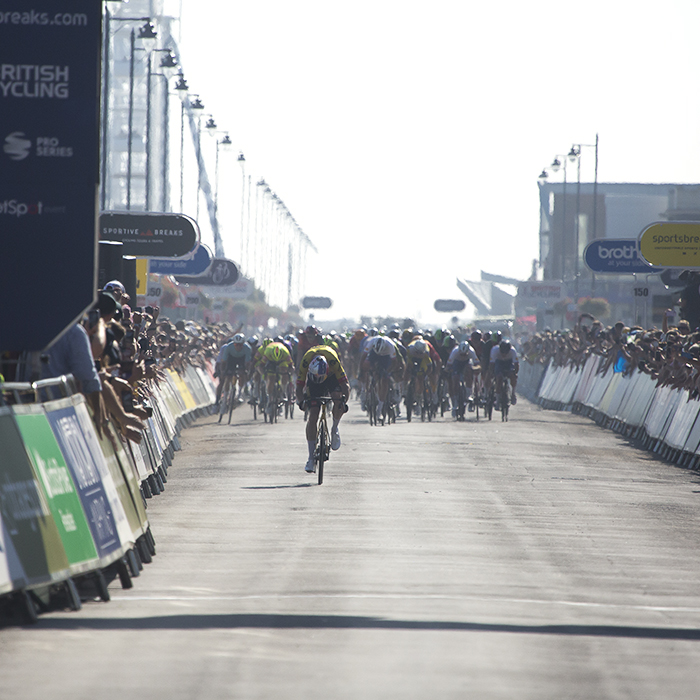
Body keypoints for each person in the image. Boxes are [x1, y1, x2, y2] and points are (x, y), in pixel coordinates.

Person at [296, 344, 350, 473]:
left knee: (337, 398)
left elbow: (345, 385)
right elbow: (299, 387)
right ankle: (310, 458)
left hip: (331, 378)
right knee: (313, 415)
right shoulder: (305, 362)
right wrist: (301, 402)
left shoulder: (333, 361)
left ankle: (335, 428)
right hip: (313, 383)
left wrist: (343, 402)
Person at [255, 340, 294, 418]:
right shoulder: (267, 352)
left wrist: (289, 373)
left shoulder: (285, 353)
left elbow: (291, 366)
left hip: (282, 361)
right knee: (271, 378)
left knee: (284, 373)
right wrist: (263, 374)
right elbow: (261, 365)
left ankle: (283, 391)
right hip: (270, 361)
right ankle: (269, 399)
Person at [445, 340, 481, 417]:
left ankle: (469, 395)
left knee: (469, 372)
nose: (463, 356)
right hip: (456, 364)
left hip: (467, 364)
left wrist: (474, 369)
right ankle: (455, 404)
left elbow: (478, 365)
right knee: (455, 380)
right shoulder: (454, 352)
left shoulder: (471, 351)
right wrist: (449, 370)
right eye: (461, 354)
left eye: (465, 354)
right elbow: (448, 366)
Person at [490, 339, 519, 406]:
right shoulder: (495, 350)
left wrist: (515, 373)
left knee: (513, 376)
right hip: (499, 363)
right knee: (499, 378)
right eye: (502, 352)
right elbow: (492, 364)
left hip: (508, 363)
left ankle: (513, 394)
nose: (504, 354)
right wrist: (492, 373)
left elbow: (516, 364)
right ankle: (497, 400)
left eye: (506, 353)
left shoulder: (513, 351)